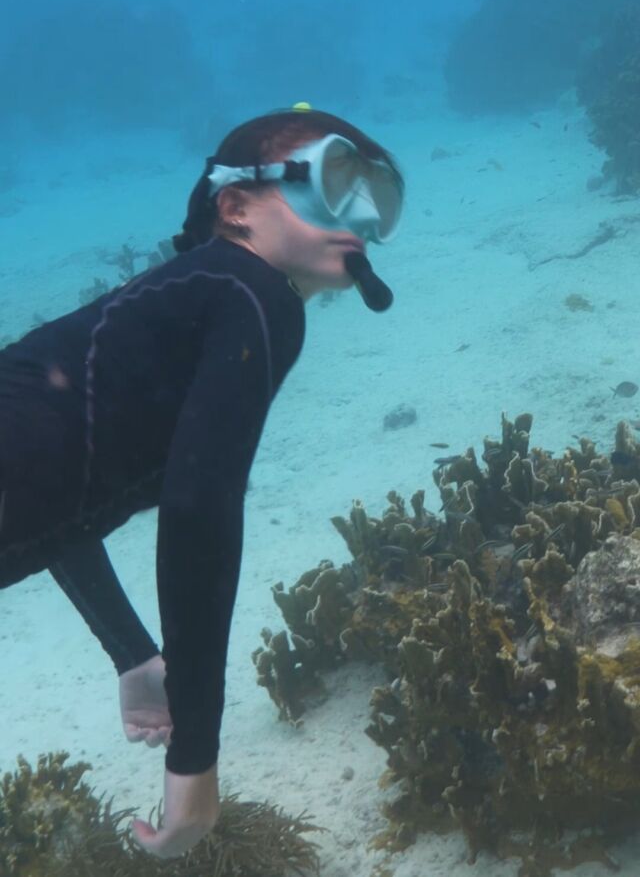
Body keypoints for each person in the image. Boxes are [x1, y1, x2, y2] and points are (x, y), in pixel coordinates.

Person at [0, 105, 404, 859]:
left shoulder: (196, 299)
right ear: (237, 205)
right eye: (331, 185)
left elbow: (55, 468)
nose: (358, 220)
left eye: (375, 199)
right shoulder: (257, 293)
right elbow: (198, 508)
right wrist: (196, 758)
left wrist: (131, 651)